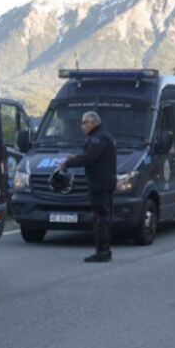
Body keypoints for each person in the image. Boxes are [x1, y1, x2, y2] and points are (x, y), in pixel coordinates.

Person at [59, 111, 117, 263]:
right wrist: (76, 158)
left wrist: (68, 163)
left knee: (100, 218)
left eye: (85, 122)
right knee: (102, 216)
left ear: (94, 123)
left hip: (101, 184)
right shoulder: (101, 137)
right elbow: (91, 157)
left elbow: (90, 158)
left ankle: (102, 252)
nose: (82, 126)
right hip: (102, 183)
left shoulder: (99, 138)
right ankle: (104, 251)